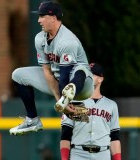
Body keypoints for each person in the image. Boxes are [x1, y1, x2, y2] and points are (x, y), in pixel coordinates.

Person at [9, 1, 94, 136]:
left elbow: (65, 75)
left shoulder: (67, 41)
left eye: (42, 16)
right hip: (58, 81)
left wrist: (64, 102)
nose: (38, 20)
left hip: (83, 85)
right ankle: (32, 119)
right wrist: (59, 101)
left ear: (53, 18)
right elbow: (47, 72)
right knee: (18, 75)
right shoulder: (40, 38)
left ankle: (69, 98)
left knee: (80, 69)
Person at [60, 63, 121, 160]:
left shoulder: (111, 105)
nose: (87, 76)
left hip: (103, 154)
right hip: (78, 153)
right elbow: (65, 134)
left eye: (91, 73)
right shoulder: (73, 102)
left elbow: (115, 138)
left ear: (100, 79)